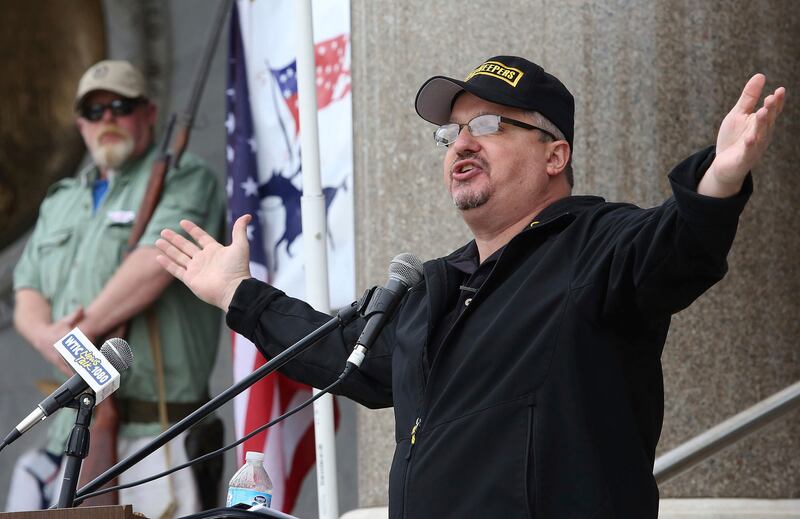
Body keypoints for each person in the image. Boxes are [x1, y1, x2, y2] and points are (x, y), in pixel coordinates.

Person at [155, 56, 785, 518]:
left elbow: (678, 249)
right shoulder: (434, 288)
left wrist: (717, 183)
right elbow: (342, 356)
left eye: (488, 125)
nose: (460, 143)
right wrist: (239, 294)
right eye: (451, 132)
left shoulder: (600, 245)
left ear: (554, 155)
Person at [10, 60, 226, 517]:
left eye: (120, 106)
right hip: (66, 430)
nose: (107, 118)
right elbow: (26, 288)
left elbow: (155, 263)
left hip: (159, 433)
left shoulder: (185, 178)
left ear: (148, 112)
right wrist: (50, 339)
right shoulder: (62, 198)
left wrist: (75, 334)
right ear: (79, 124)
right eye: (94, 111)